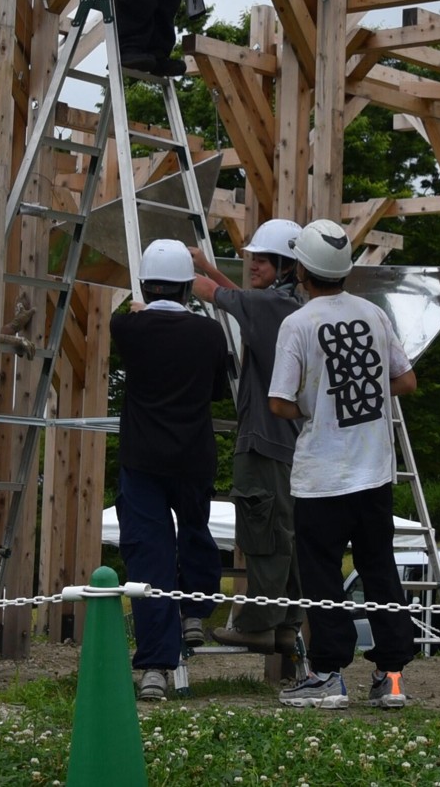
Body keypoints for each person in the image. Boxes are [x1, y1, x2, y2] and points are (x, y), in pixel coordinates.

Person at [267, 218, 418, 711]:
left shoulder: (299, 323)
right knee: (379, 569)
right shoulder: (373, 314)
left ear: (302, 271)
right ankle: (391, 677)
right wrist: (363, 397)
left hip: (322, 476)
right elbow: (406, 381)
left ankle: (328, 674)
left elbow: (279, 402)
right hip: (374, 472)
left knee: (322, 574)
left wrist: (318, 405)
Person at [112, 238, 232, 701]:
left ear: (145, 283)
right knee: (197, 532)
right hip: (193, 456)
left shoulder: (127, 329)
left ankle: (156, 668)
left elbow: (130, 316)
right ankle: (197, 610)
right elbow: (219, 391)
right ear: (187, 288)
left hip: (142, 461)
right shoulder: (209, 335)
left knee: (150, 557)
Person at [189, 219, 306, 655]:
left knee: (263, 535)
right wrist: (210, 266)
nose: (252, 265)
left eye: (261, 260)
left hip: (264, 439)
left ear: (287, 265)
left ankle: (258, 624)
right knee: (286, 536)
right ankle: (286, 625)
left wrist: (180, 273)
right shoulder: (291, 302)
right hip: (291, 444)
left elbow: (218, 296)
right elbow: (241, 300)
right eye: (251, 258)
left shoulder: (269, 306)